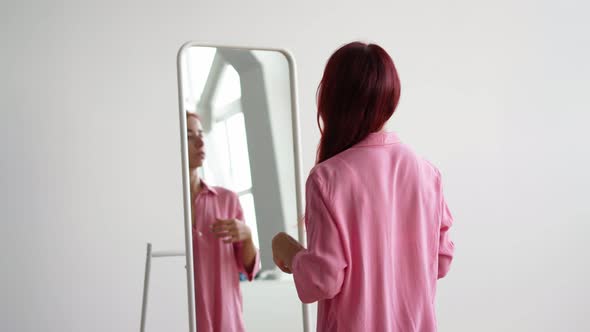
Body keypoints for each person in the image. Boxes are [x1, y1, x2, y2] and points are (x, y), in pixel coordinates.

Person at [271, 42, 455, 332]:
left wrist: (289, 250)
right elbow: (441, 261)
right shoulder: (427, 173)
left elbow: (324, 279)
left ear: (331, 99)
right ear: (392, 97)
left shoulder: (327, 178)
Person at [186, 111, 260, 332]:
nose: (200, 141)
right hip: (182, 318)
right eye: (189, 135)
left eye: (200, 133)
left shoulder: (227, 199)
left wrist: (247, 235)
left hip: (226, 321)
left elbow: (249, 269)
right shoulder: (164, 207)